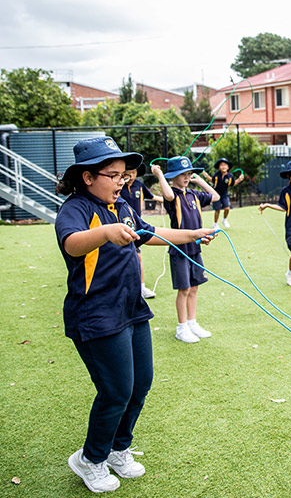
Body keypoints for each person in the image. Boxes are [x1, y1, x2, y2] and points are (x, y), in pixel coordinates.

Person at [55, 137, 215, 493]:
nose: (120, 181)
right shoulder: (76, 209)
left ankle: (117, 448)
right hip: (96, 315)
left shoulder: (121, 205)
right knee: (115, 391)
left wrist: (192, 233)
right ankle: (89, 459)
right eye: (112, 175)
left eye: (122, 175)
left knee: (139, 385)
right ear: (87, 177)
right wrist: (105, 233)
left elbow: (150, 232)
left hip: (132, 309)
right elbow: (71, 243)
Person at [153, 156, 220, 344]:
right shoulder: (172, 196)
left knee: (194, 286)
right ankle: (181, 327)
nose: (186, 177)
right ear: (173, 176)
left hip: (195, 248)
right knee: (184, 289)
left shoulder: (194, 194)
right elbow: (166, 194)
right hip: (179, 249)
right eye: (182, 174)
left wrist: (200, 181)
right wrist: (159, 174)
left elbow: (216, 197)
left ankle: (192, 322)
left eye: (188, 174)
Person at [120, 162, 163, 299]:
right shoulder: (119, 186)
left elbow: (152, 196)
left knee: (137, 256)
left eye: (134, 172)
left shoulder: (139, 185)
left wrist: (168, 200)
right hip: (120, 226)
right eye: (128, 172)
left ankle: (141, 288)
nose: (131, 175)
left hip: (136, 226)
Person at [201, 157, 245, 230]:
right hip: (215, 194)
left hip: (224, 194)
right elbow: (212, 180)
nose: (223, 166)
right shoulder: (216, 175)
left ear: (228, 167)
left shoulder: (230, 176)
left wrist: (239, 179)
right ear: (219, 167)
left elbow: (233, 184)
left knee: (227, 208)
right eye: (221, 165)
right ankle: (215, 224)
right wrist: (205, 175)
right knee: (217, 210)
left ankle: (224, 219)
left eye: (225, 165)